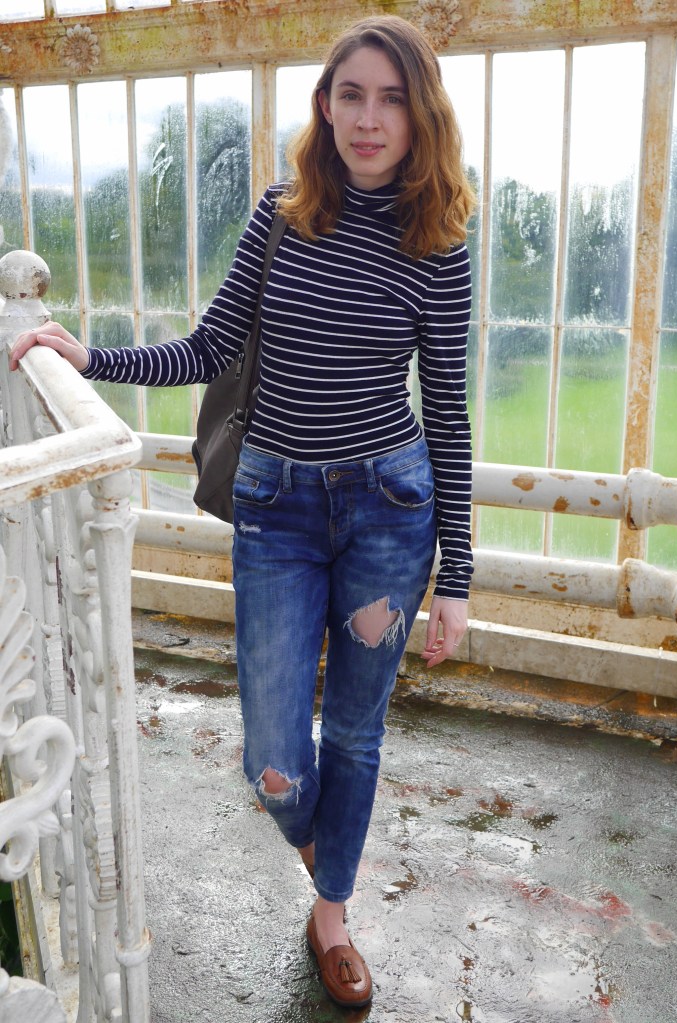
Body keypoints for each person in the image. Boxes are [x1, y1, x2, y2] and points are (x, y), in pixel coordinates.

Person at [10, 13, 474, 1010]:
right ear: (324, 106)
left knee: (355, 735)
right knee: (273, 760)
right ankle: (323, 845)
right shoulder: (283, 214)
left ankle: (332, 915)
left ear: (419, 115)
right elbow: (209, 348)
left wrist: (458, 580)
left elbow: (447, 412)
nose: (368, 118)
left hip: (390, 512)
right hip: (277, 511)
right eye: (350, 94)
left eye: (391, 99)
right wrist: (89, 355)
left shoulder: (438, 242)